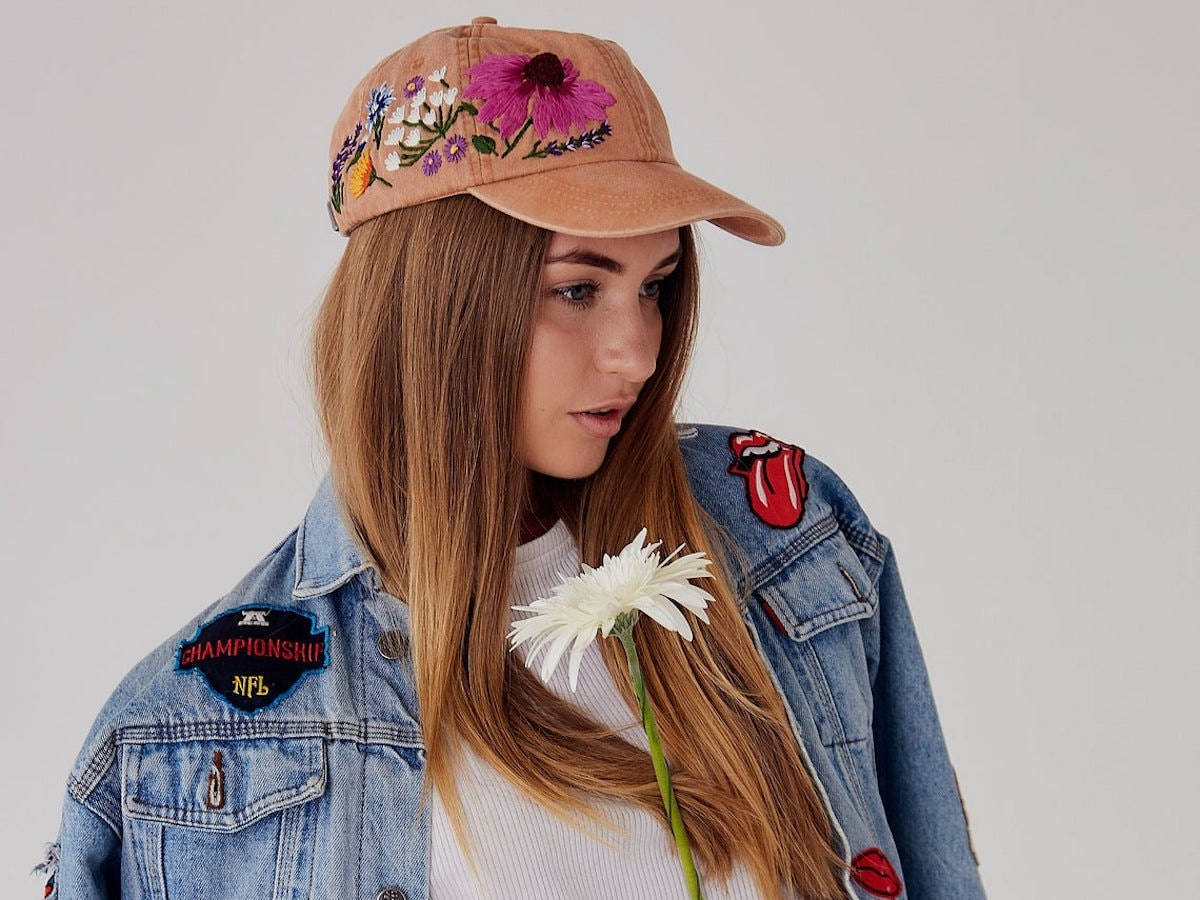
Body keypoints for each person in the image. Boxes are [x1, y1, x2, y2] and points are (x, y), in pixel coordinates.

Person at [44, 18, 985, 900]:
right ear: (429, 310)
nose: (640, 352)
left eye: (654, 285)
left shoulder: (790, 531)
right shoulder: (193, 739)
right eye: (577, 288)